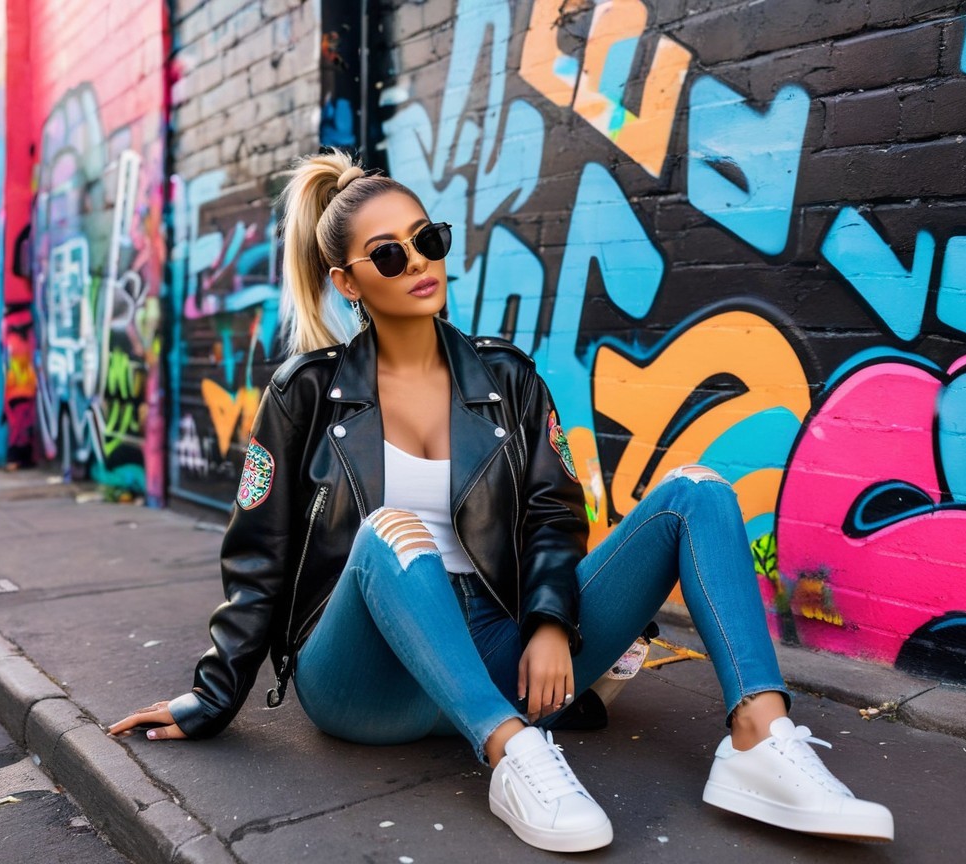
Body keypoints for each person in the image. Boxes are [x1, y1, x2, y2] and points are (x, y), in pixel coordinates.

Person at [109, 151, 894, 852]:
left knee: (698, 492)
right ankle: (514, 754)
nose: (420, 262)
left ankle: (759, 736)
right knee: (390, 531)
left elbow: (553, 513)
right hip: (363, 679)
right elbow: (260, 559)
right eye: (390, 254)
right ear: (348, 282)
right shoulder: (305, 392)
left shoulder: (506, 378)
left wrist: (550, 622)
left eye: (427, 239)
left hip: (495, 646)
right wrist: (212, 696)